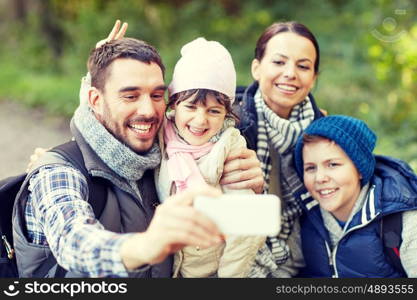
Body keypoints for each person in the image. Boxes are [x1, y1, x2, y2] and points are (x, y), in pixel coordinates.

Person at [14, 34, 264, 277]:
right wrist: (146, 246)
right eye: (130, 96)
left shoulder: (161, 155)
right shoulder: (59, 172)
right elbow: (74, 240)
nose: (148, 110)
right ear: (95, 99)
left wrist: (252, 190)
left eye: (156, 95)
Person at [156, 37, 265, 277]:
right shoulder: (164, 134)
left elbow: (247, 229)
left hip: (212, 271)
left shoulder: (228, 148)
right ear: (173, 104)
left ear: (227, 113)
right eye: (191, 107)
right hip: (171, 268)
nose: (200, 120)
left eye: (213, 111)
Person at [234, 22, 324, 277]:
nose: (290, 73)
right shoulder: (229, 124)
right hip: (239, 262)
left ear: (313, 78)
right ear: (256, 68)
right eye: (279, 62)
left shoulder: (323, 133)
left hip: (304, 260)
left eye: (303, 66)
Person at [293, 115, 417, 277]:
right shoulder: (303, 216)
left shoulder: (402, 219)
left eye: (333, 164)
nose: (320, 178)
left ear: (359, 169)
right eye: (310, 168)